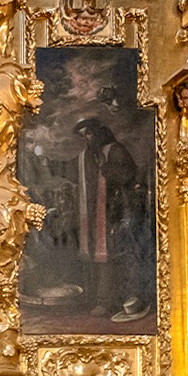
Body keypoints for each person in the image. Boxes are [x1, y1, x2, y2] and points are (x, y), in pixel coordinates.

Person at [73, 118, 149, 322]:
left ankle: (108, 301)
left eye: (88, 134)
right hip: (97, 212)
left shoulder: (115, 150)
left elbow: (128, 175)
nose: (86, 139)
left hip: (117, 213)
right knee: (97, 253)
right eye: (82, 135)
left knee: (112, 254)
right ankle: (97, 299)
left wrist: (106, 169)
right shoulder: (89, 155)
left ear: (97, 132)